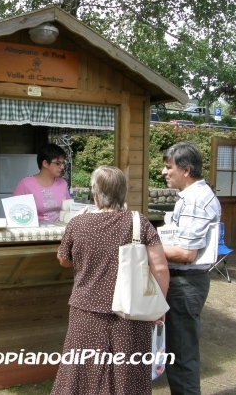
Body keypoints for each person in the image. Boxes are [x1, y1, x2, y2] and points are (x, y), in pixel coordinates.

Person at [51, 166, 169, 395]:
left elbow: (63, 260)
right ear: (123, 193)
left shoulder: (78, 223)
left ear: (94, 193)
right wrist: (158, 308)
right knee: (128, 375)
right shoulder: (140, 222)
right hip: (131, 312)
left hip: (86, 312)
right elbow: (161, 268)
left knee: (81, 372)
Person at [161, 142, 221, 395]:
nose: (164, 172)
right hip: (184, 282)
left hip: (186, 284)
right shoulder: (191, 196)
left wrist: (145, 249)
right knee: (177, 351)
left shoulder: (195, 200)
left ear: (185, 170)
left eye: (168, 167)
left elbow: (186, 253)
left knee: (182, 355)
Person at [12, 143, 71, 222]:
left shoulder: (63, 183)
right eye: (58, 163)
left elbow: (69, 209)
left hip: (60, 231)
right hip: (35, 232)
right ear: (45, 163)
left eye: (62, 163)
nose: (62, 167)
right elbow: (14, 213)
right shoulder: (26, 184)